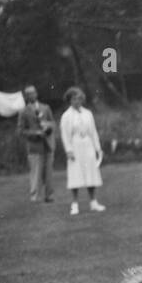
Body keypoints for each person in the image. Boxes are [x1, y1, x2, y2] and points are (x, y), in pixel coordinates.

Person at [59, 87, 105, 216]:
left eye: (79, 98)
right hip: (75, 147)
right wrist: (69, 150)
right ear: (69, 100)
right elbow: (65, 135)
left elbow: (93, 132)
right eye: (74, 98)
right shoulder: (66, 116)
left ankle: (93, 202)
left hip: (88, 146)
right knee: (75, 174)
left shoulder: (88, 113)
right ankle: (74, 204)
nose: (77, 101)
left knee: (91, 173)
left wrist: (98, 148)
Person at [19, 86, 56, 203]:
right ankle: (35, 196)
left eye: (33, 93)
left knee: (49, 172)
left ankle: (49, 195)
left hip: (48, 144)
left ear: (36, 93)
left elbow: (53, 123)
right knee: (35, 172)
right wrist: (35, 133)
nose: (31, 95)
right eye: (28, 94)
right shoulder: (24, 111)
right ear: (26, 96)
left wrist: (47, 126)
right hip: (34, 145)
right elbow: (21, 130)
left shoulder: (46, 108)